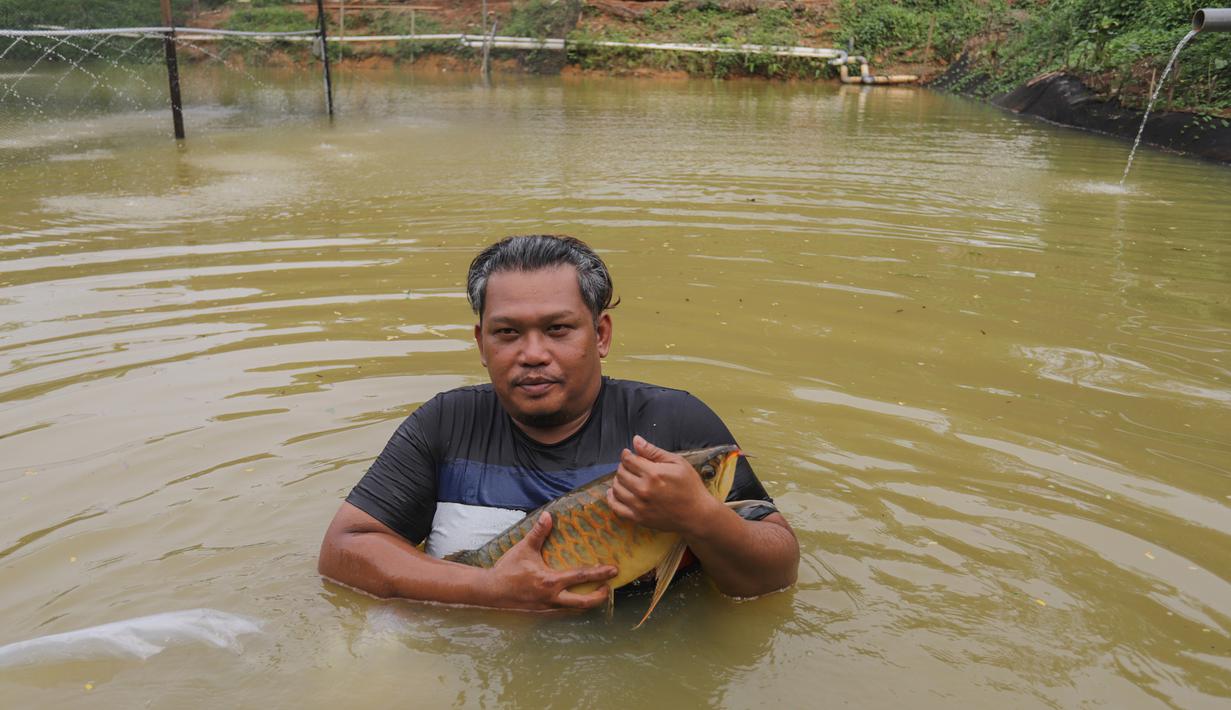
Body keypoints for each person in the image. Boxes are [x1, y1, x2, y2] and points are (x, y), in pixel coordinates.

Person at [318, 235, 799, 611]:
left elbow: (775, 577)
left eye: (557, 329)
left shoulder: (672, 424)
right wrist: (486, 589)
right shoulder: (444, 424)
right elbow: (344, 551)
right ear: (481, 343)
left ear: (601, 334)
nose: (532, 355)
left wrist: (700, 516)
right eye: (507, 333)